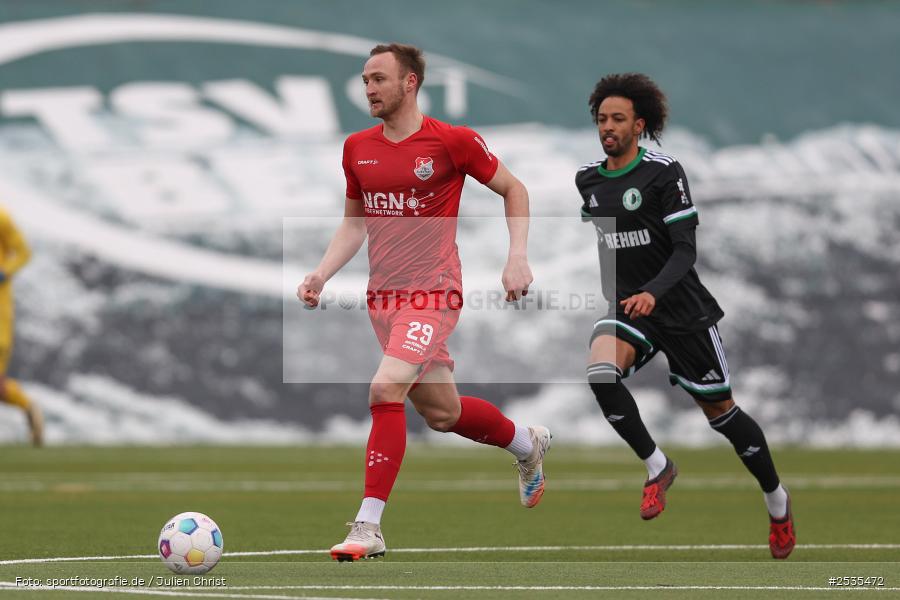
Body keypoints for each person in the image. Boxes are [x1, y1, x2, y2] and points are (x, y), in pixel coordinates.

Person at [297, 43, 551, 562]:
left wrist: (517, 257)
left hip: (432, 293)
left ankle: (368, 526)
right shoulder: (356, 148)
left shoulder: (451, 142)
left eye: (378, 79)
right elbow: (355, 222)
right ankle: (526, 443)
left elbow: (515, 189)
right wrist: (321, 274)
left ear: (409, 83)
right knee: (443, 413)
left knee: (385, 387)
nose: (368, 88)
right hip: (383, 300)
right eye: (365, 79)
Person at [575, 73, 795, 559]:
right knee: (599, 373)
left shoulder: (664, 172)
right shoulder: (587, 180)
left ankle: (777, 501)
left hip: (682, 311)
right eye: (601, 119)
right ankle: (658, 466)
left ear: (640, 124)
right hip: (631, 310)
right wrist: (623, 293)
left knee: (723, 415)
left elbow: (684, 251)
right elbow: (610, 242)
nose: (607, 127)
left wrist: (654, 291)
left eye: (617, 119)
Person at [0, 204, 42, 446]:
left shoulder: (1, 218)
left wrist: (5, 271)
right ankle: (28, 406)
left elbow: (23, 252)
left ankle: (28, 406)